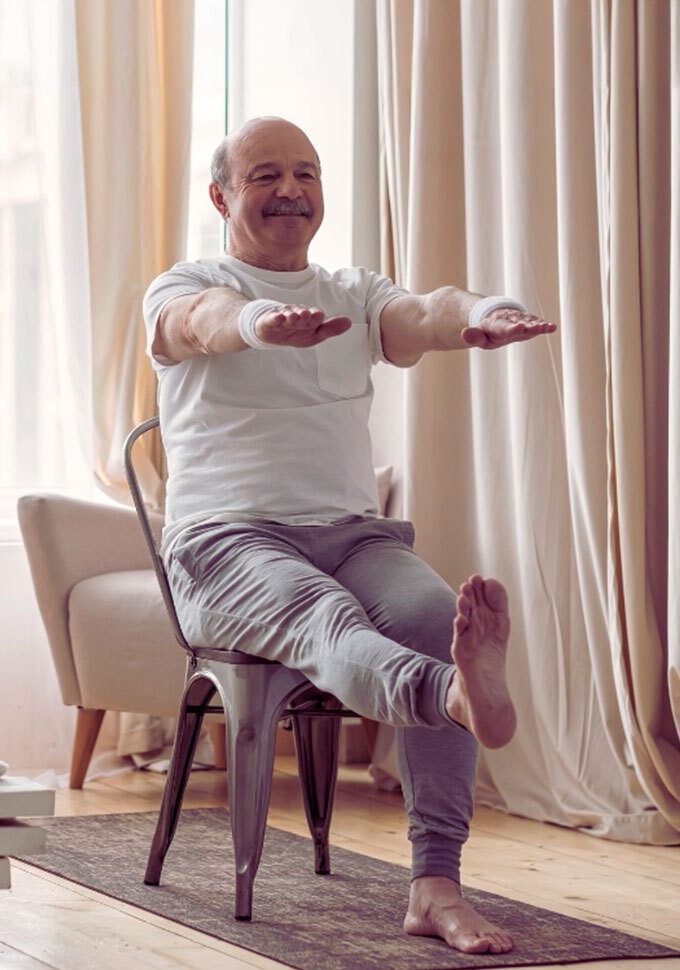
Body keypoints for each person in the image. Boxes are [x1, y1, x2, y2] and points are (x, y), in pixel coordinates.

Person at [142, 116, 557, 955]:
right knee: (326, 622)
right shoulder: (185, 281)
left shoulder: (350, 290)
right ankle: (448, 695)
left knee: (438, 615)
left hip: (353, 535)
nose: (290, 190)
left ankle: (433, 887)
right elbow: (202, 321)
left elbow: (421, 312)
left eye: (306, 173)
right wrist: (260, 324)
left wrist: (485, 313)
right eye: (265, 176)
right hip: (226, 545)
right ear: (221, 195)